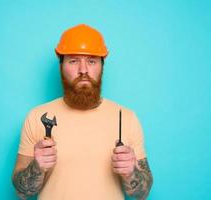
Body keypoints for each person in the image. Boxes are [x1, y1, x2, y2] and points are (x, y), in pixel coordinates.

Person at [12, 24, 153, 200]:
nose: (83, 70)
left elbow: (143, 194)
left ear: (102, 66)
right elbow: (21, 192)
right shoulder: (37, 117)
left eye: (92, 61)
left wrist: (131, 173)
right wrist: (37, 167)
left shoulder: (126, 117)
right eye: (73, 61)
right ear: (61, 66)